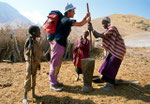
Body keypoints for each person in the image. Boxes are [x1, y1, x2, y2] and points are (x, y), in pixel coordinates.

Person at [49, 3, 91, 92]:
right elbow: (80, 24)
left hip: (57, 44)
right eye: (73, 11)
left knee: (57, 64)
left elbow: (80, 23)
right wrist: (87, 20)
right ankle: (52, 84)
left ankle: (54, 81)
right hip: (58, 44)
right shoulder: (65, 20)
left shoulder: (64, 20)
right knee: (55, 64)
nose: (74, 13)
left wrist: (85, 17)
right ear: (68, 12)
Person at [88, 17, 126, 91]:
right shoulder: (107, 30)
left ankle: (110, 84)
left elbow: (103, 36)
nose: (103, 25)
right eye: (102, 24)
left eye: (104, 23)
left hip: (118, 51)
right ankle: (105, 79)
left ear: (108, 22)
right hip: (113, 51)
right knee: (106, 64)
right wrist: (91, 29)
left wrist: (92, 29)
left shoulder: (112, 28)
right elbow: (97, 35)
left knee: (111, 65)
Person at [23, 25, 42, 104]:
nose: (40, 32)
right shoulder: (29, 41)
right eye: (38, 31)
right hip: (30, 63)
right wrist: (29, 48)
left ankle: (33, 94)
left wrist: (38, 63)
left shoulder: (36, 41)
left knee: (34, 78)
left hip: (35, 62)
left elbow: (37, 52)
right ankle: (24, 97)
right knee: (28, 78)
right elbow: (25, 52)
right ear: (34, 33)